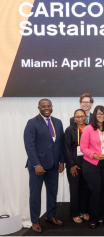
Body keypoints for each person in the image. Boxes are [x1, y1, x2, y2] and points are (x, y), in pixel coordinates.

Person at [24, 99, 65, 233]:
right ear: (39, 108)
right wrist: (36, 164)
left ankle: (50, 216)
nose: (46, 108)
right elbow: (29, 146)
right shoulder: (32, 123)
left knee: (52, 192)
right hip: (38, 167)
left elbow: (60, 144)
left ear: (52, 107)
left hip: (53, 165)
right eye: (44, 106)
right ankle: (35, 220)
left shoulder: (58, 122)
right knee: (35, 194)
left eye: (49, 106)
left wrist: (61, 161)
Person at [80, 106, 104, 229]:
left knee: (103, 191)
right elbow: (83, 148)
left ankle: (101, 217)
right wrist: (95, 155)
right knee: (96, 191)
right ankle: (93, 218)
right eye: (99, 113)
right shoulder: (88, 129)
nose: (102, 115)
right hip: (91, 164)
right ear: (95, 115)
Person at [64, 109, 90, 223]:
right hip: (74, 165)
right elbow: (67, 149)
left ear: (86, 117)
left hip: (88, 165)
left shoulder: (90, 128)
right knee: (75, 190)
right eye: (77, 117)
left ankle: (84, 211)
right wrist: (71, 165)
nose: (80, 118)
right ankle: (74, 213)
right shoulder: (70, 130)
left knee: (86, 189)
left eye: (82, 116)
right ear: (74, 118)